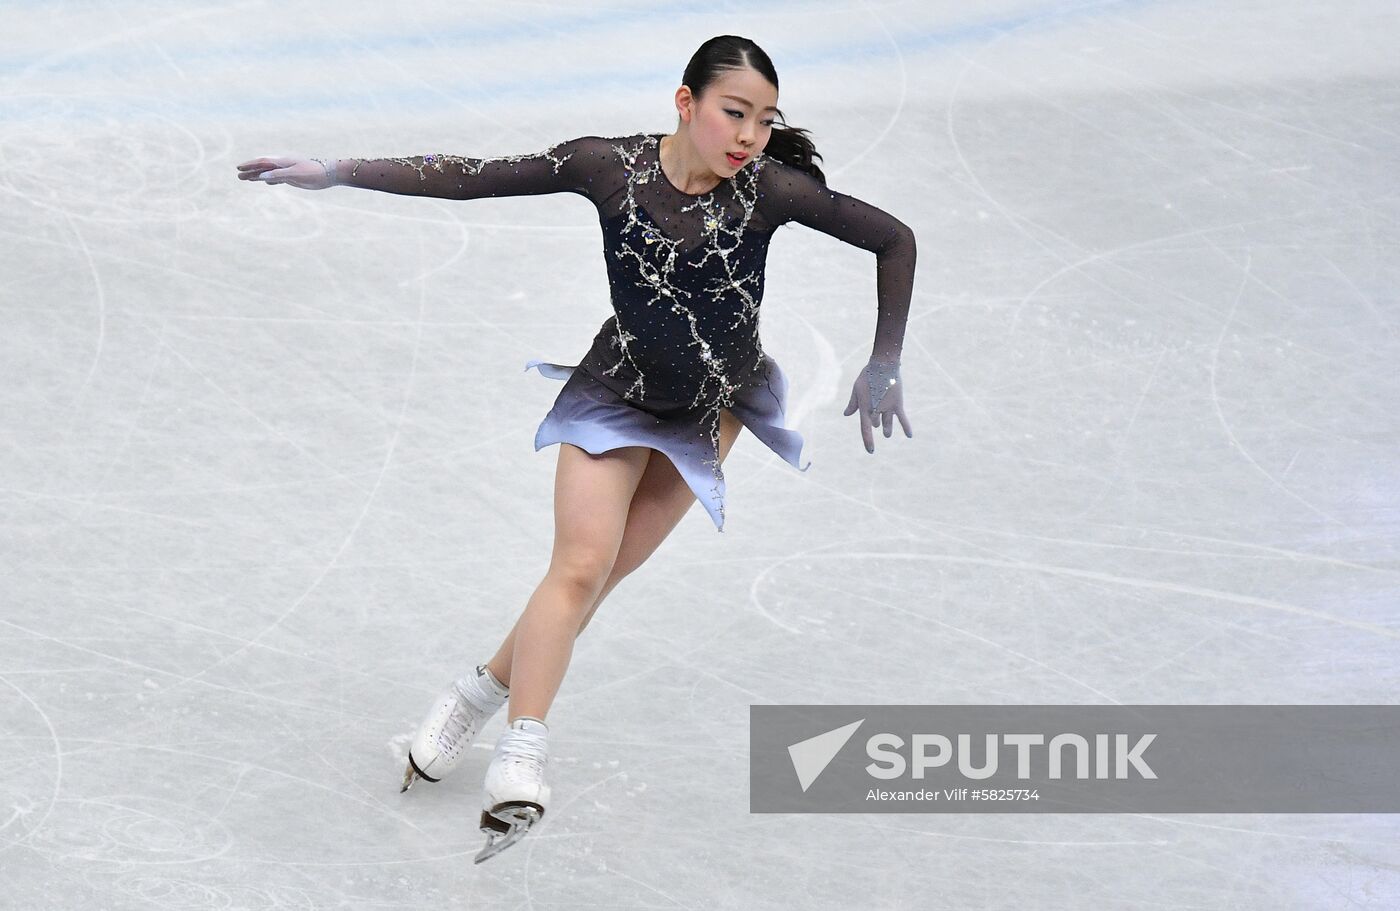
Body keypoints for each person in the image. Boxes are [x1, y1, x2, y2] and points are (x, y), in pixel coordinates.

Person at [236, 34, 916, 862]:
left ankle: (476, 692)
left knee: (601, 575)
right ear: (685, 101)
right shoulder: (609, 168)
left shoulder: (769, 191)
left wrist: (886, 360)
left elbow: (894, 238)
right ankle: (521, 760)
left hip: (712, 408)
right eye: (734, 113)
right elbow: (473, 175)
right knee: (579, 566)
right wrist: (340, 168)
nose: (749, 136)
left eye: (765, 121)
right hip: (616, 392)